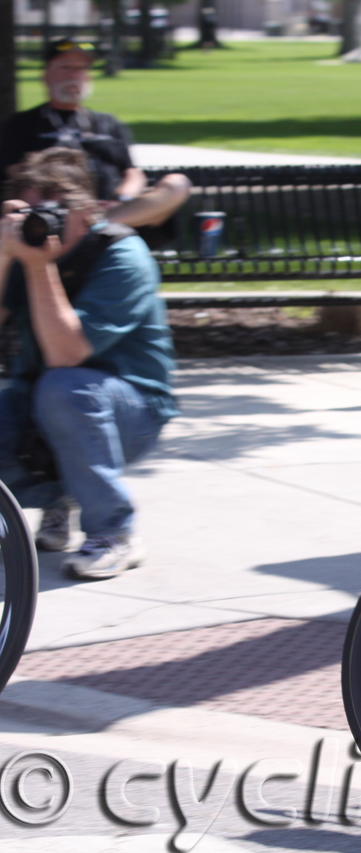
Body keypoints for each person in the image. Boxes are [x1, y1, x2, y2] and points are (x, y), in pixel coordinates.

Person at [0, 148, 178, 580]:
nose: (41, 224)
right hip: (48, 400)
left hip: (131, 408)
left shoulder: (122, 255)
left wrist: (38, 265)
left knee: (65, 388)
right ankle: (55, 501)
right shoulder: (23, 255)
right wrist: (6, 253)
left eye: (52, 212)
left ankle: (115, 534)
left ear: (87, 211)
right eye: (30, 213)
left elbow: (68, 354)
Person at [0, 38, 191, 235]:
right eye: (65, 67)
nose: (74, 74)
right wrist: (75, 203)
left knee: (177, 184)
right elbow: (20, 175)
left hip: (114, 211)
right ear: (46, 76)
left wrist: (122, 199)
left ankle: (97, 225)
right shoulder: (22, 124)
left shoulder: (107, 122)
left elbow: (132, 174)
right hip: (57, 214)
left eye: (81, 68)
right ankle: (92, 226)